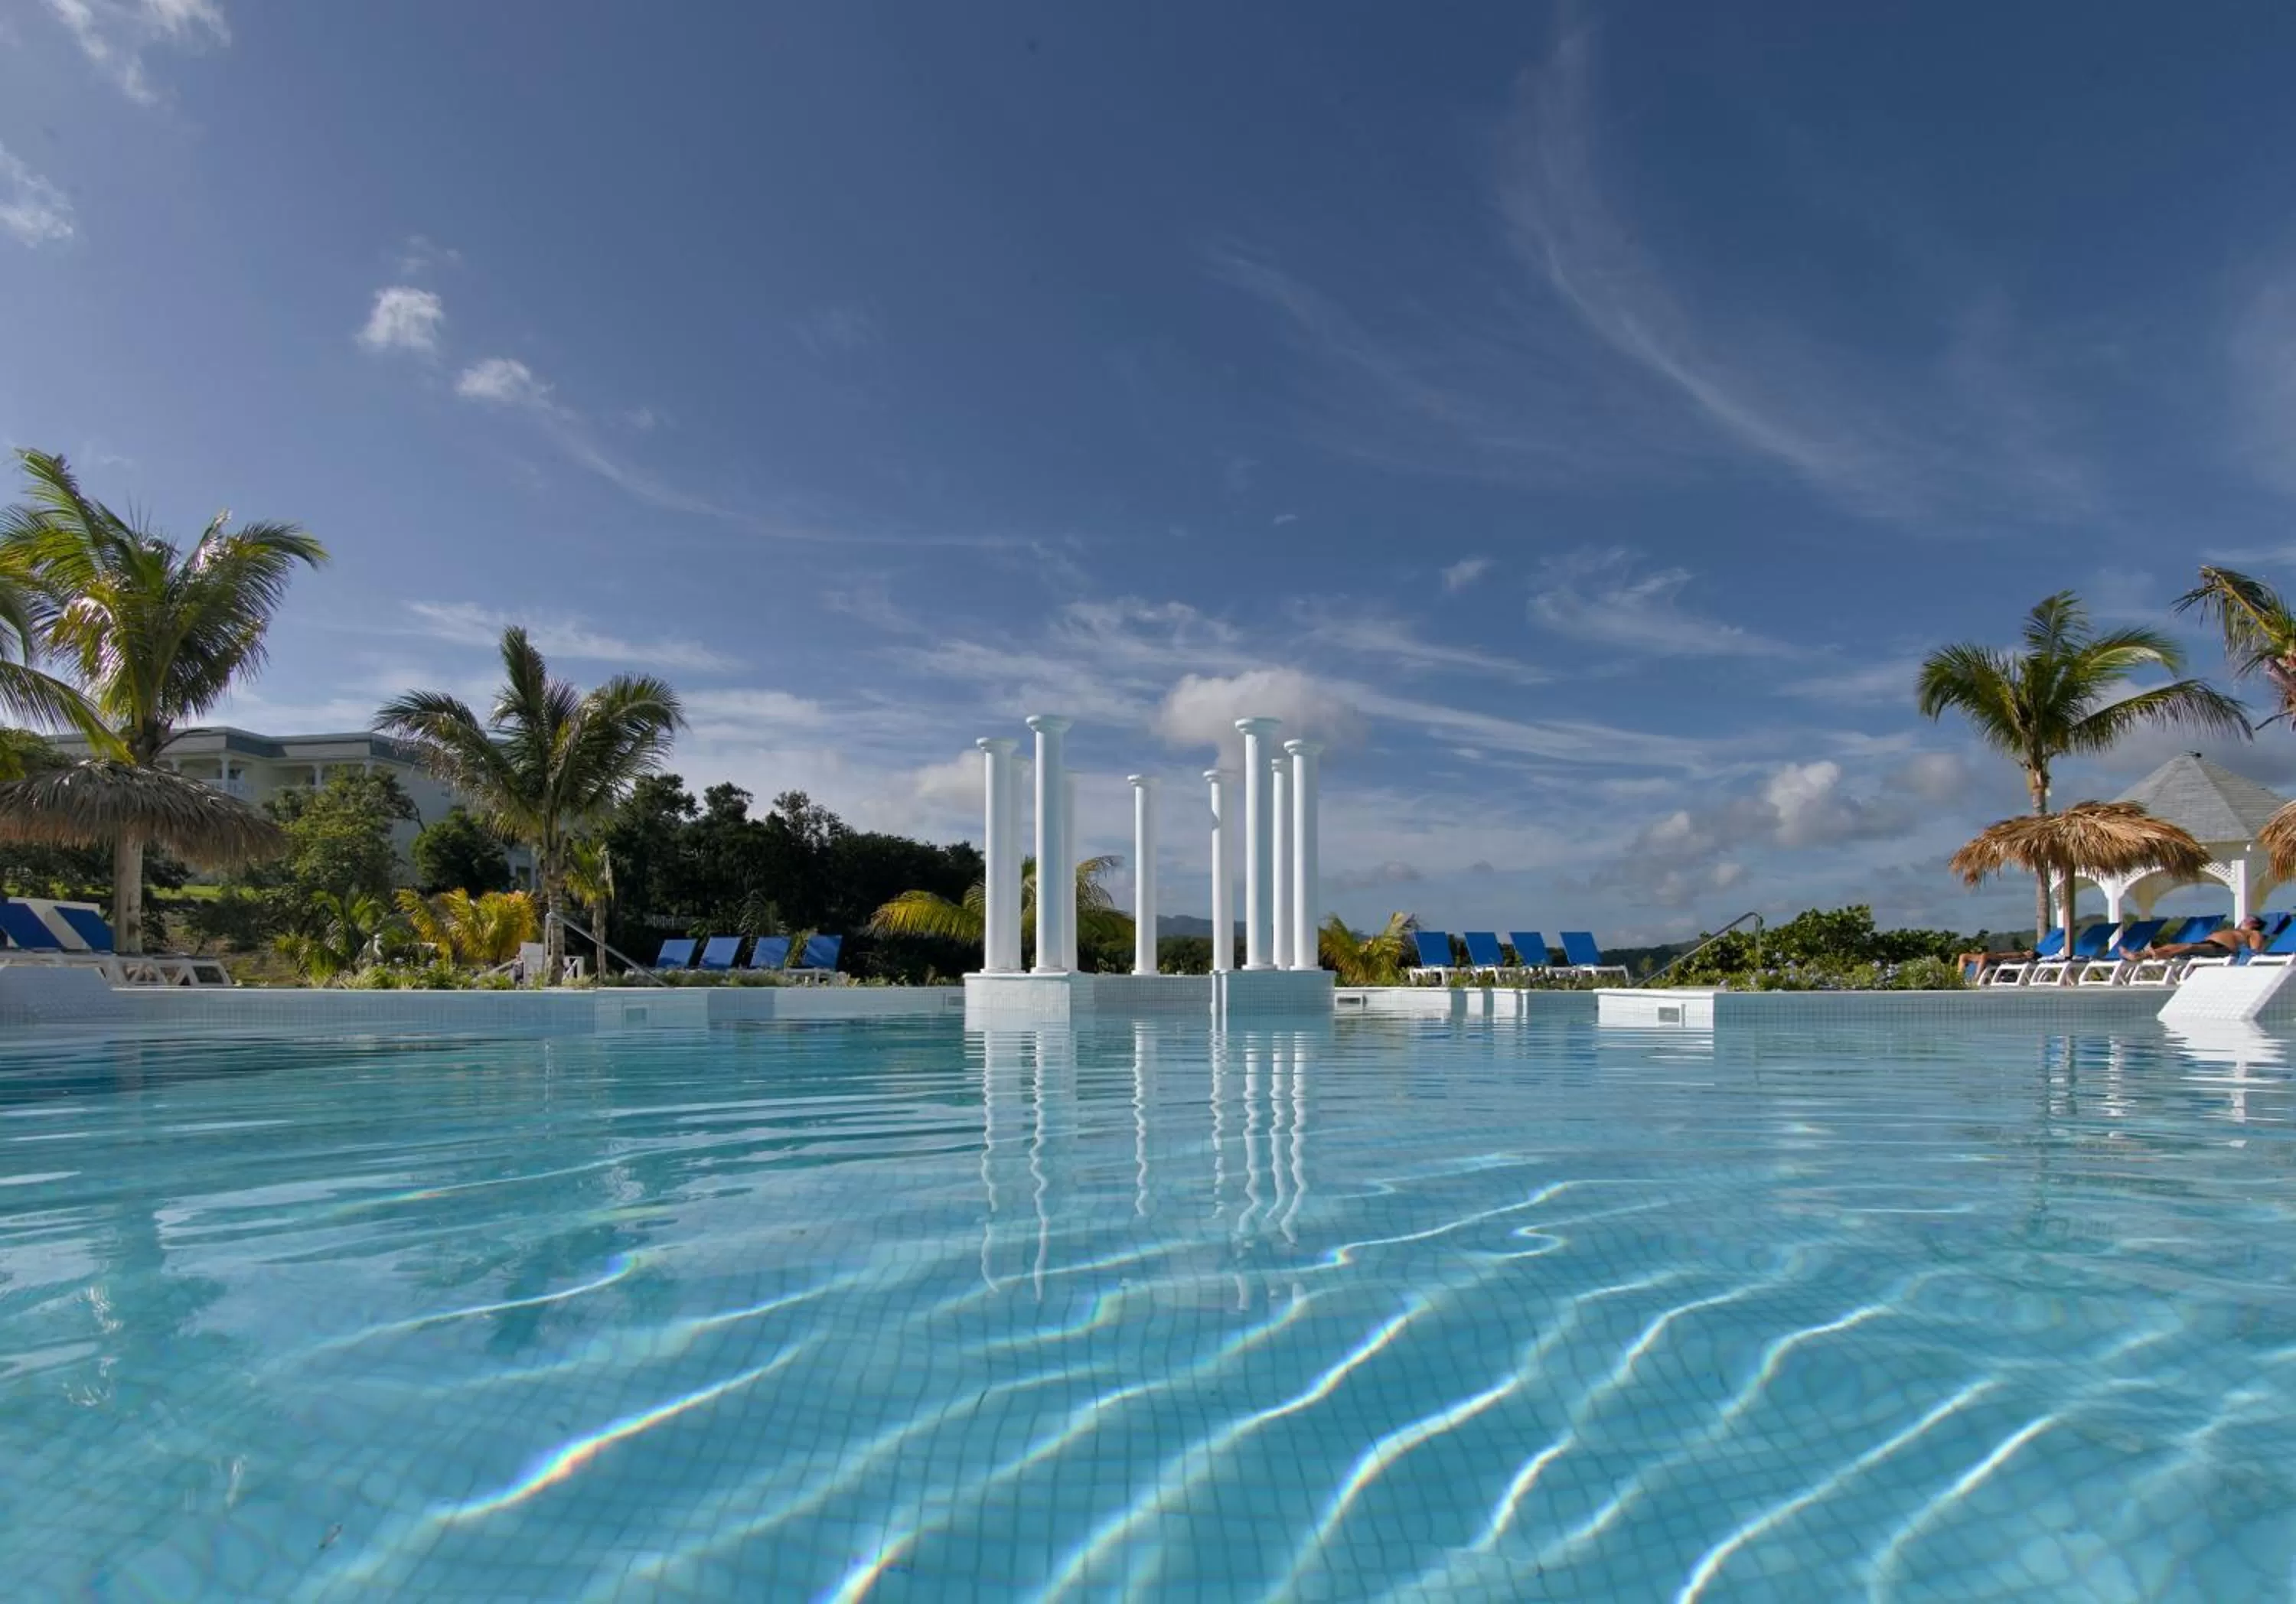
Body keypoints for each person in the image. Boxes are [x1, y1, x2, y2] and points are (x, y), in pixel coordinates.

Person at [2138, 916, 2268, 961]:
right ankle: (2140, 955)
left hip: (2223, 949)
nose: (2245, 919)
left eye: (2250, 919)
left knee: (2189, 947)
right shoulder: (2237, 930)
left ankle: (2161, 955)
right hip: (2210, 944)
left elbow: (2254, 952)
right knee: (2179, 945)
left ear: (2255, 924)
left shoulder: (2255, 933)